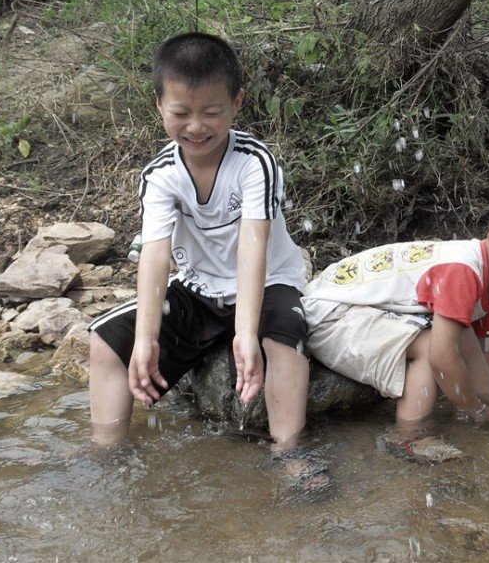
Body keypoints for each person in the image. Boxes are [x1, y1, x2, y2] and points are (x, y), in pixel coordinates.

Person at [88, 32, 326, 490]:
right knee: (104, 341)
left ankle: (289, 451)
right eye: (181, 113)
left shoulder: (254, 162)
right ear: (159, 105)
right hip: (200, 289)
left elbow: (253, 245)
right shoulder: (160, 175)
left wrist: (244, 334)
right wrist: (145, 339)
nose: (196, 126)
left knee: (283, 342)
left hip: (269, 281)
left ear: (236, 104)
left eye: (211, 112)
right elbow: (156, 255)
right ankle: (106, 452)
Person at [302, 171, 489, 460]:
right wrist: (472, 408)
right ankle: (407, 436)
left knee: (461, 335)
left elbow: (482, 345)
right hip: (330, 315)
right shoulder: (462, 272)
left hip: (362, 309)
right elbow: (442, 358)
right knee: (431, 351)